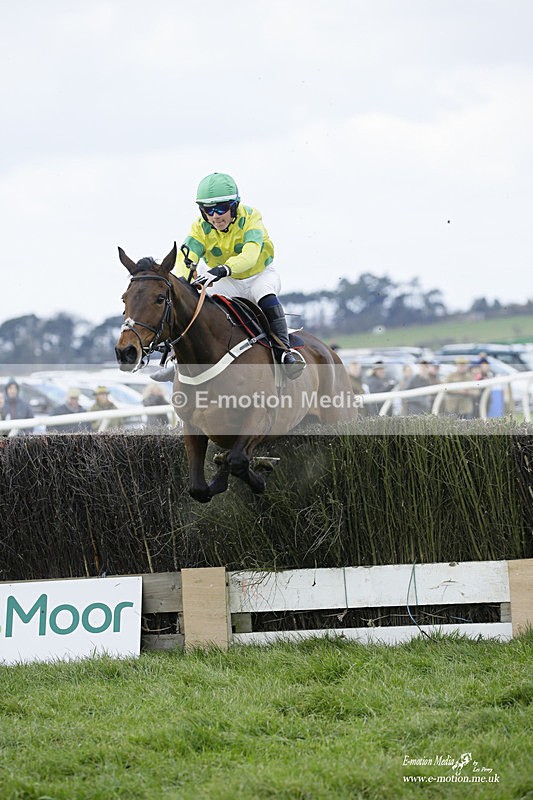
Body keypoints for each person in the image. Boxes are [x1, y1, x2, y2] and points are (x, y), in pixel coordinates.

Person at [155, 172, 305, 381]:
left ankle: (285, 353)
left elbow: (250, 255)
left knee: (264, 293)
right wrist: (184, 277)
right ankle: (178, 359)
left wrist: (223, 269)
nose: (215, 216)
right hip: (226, 282)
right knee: (195, 304)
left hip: (258, 276)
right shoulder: (200, 227)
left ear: (234, 206)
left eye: (221, 208)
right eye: (209, 210)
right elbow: (186, 256)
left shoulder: (251, 217)